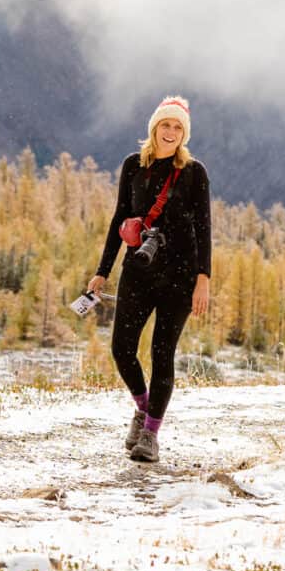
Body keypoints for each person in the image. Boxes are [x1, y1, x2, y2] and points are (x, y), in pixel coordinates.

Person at [87, 96, 211, 464]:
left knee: (161, 353)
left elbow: (204, 227)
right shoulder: (132, 167)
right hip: (138, 271)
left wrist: (203, 278)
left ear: (183, 134)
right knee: (122, 349)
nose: (171, 132)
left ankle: (151, 435)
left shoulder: (194, 172)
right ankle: (142, 408)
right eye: (165, 125)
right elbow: (119, 220)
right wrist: (102, 271)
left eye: (178, 127)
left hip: (180, 277)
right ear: (154, 128)